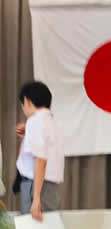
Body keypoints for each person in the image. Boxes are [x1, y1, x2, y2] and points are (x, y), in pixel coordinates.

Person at [16, 81, 64, 221]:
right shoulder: (53, 122)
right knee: (49, 227)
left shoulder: (35, 121)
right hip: (50, 186)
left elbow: (41, 159)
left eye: (23, 104)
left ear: (27, 101)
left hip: (36, 185)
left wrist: (36, 198)